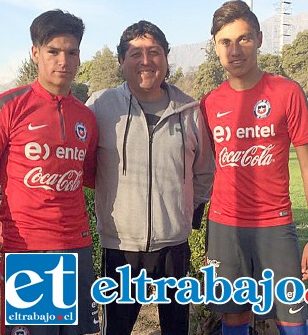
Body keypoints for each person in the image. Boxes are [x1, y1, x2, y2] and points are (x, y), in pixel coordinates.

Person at [0, 9, 99, 335]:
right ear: (36, 53)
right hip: (30, 253)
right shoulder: (8, 106)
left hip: (77, 248)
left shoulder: (87, 117)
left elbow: (90, 177)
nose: (63, 60)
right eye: (53, 51)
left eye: (72, 52)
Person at [200, 0, 308, 335]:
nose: (234, 49)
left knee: (291, 319)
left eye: (243, 39)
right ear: (216, 47)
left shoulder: (286, 93)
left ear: (259, 37)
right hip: (225, 228)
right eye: (225, 42)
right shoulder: (209, 103)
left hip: (275, 226)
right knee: (234, 317)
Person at [85, 20, 214, 335]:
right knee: (116, 328)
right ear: (121, 61)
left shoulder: (189, 109)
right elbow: (85, 166)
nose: (146, 61)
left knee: (175, 328)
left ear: (167, 58)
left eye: (154, 52)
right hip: (120, 244)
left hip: (173, 244)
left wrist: (185, 215)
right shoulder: (100, 106)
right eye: (135, 53)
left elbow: (204, 172)